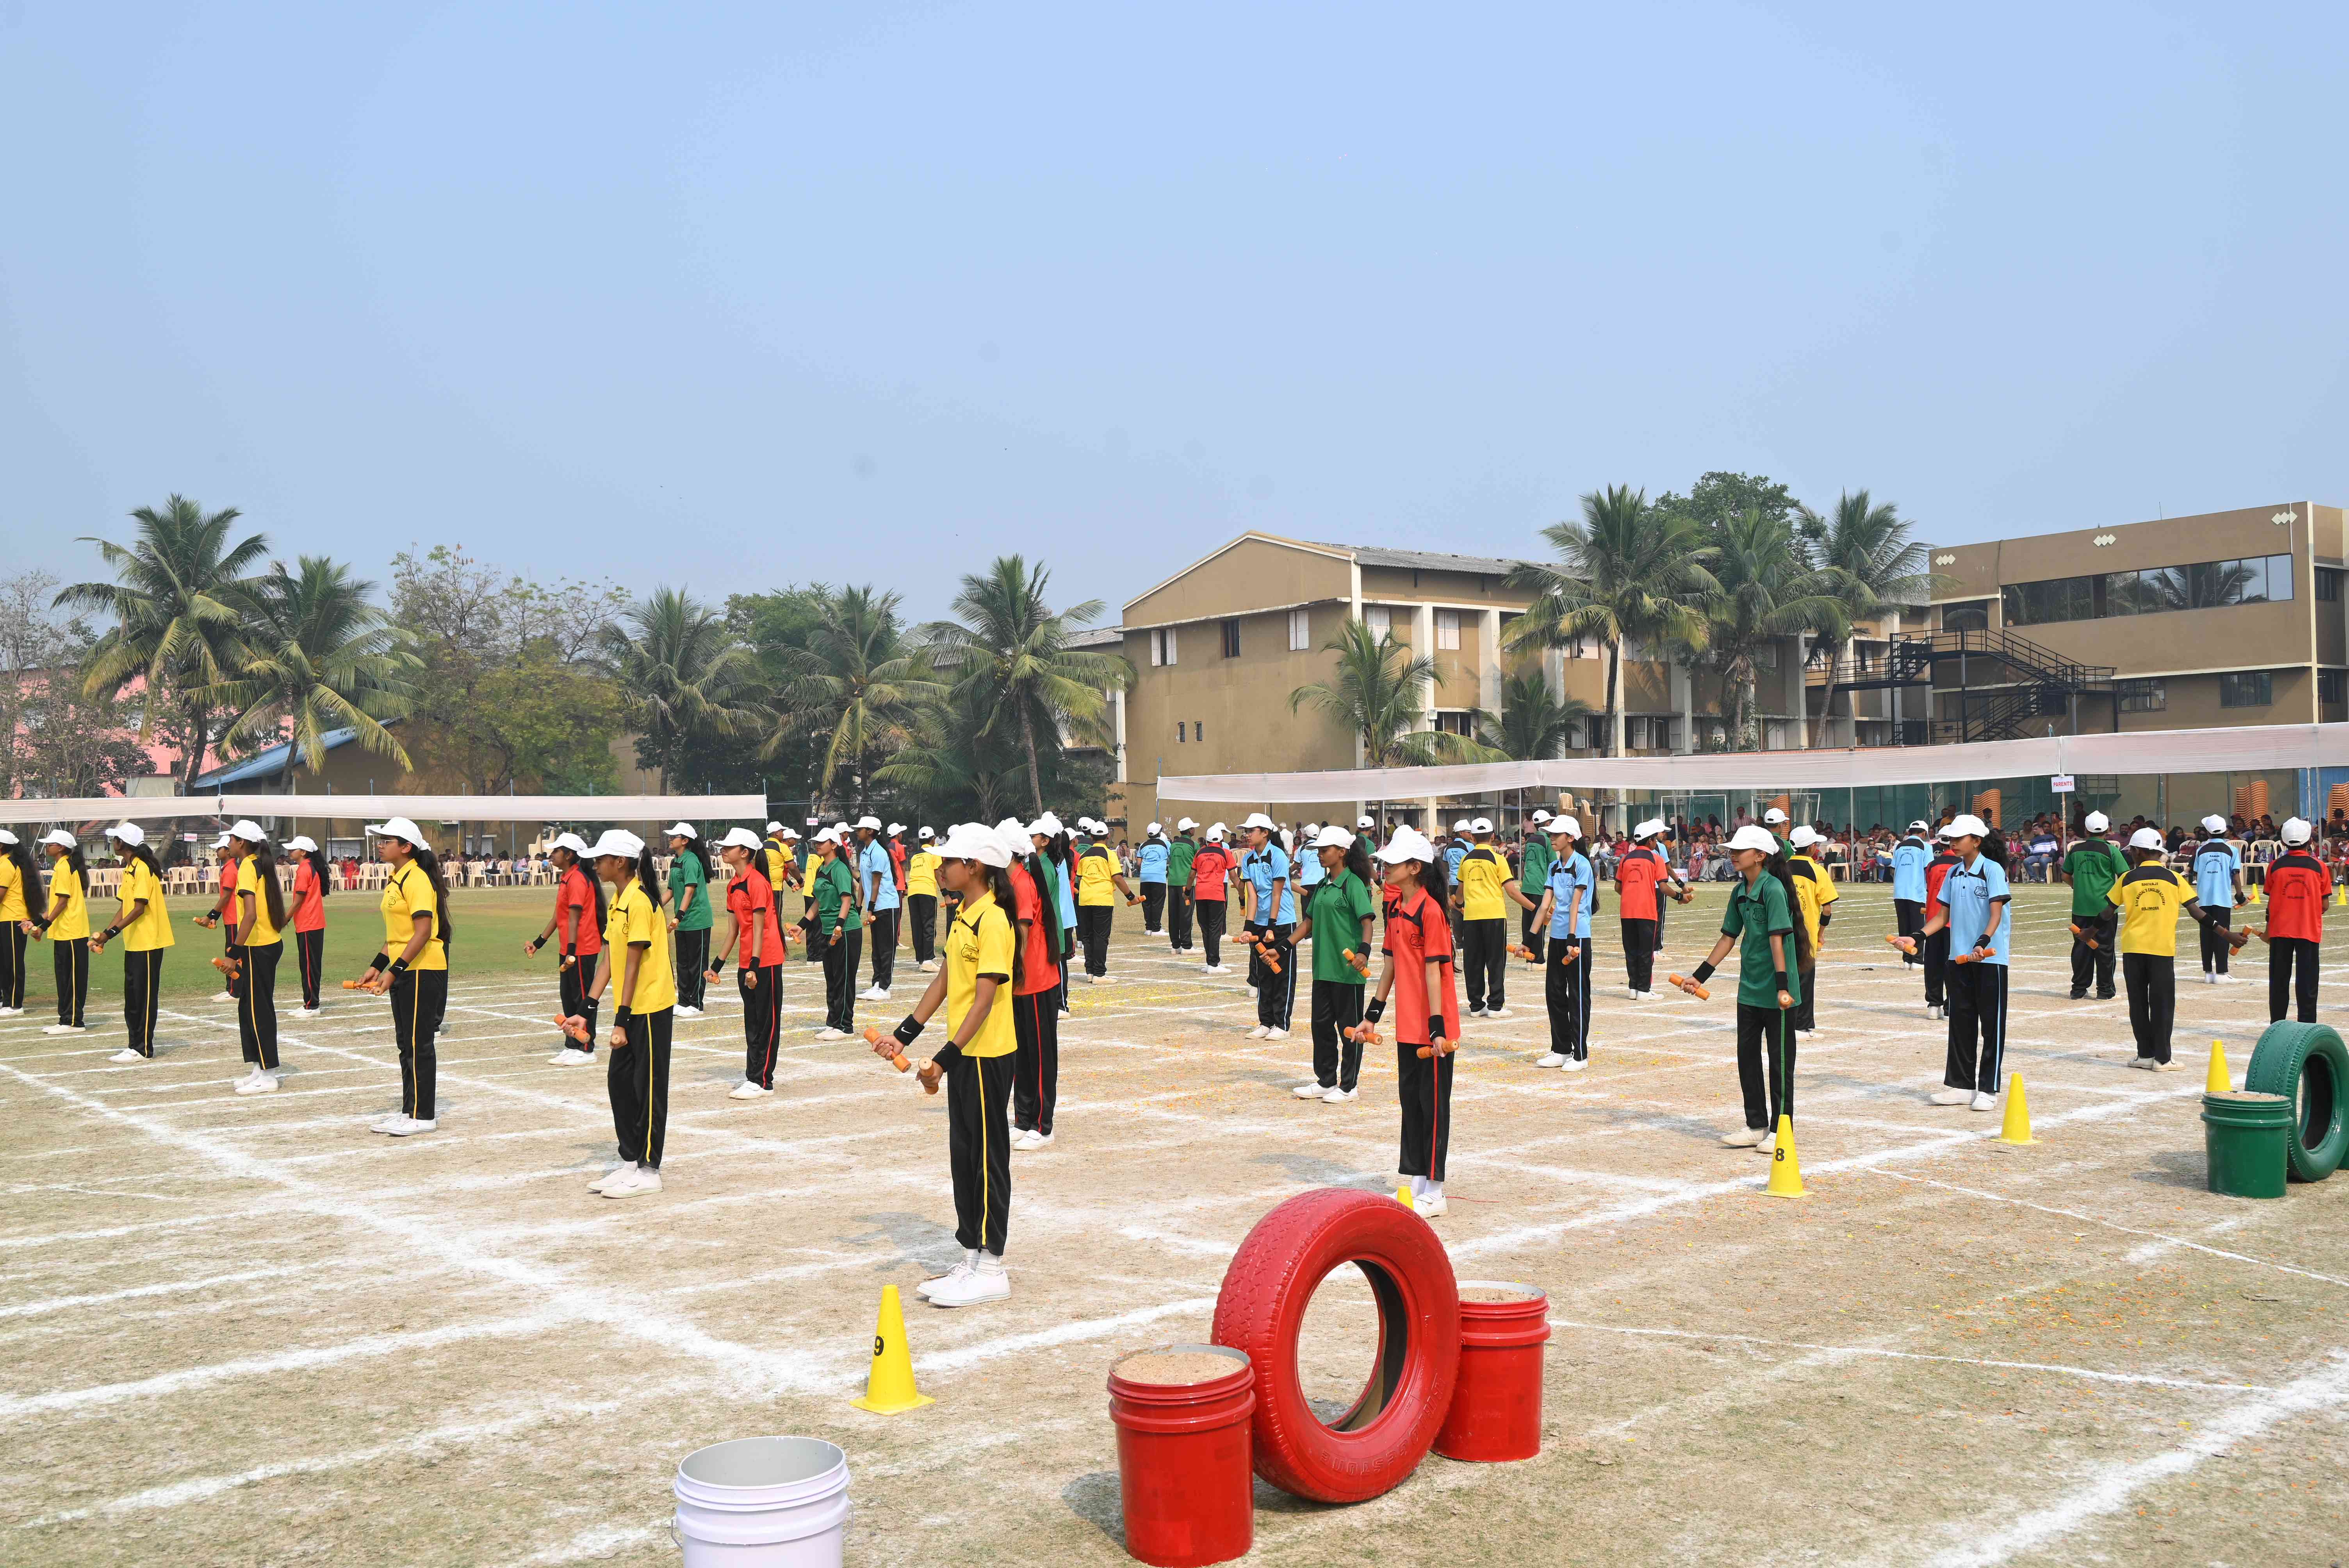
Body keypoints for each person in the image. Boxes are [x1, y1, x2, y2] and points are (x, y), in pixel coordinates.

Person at [873, 823, 1022, 1307]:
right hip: (966, 1054)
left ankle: (992, 1267)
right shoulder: (963, 914)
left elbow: (984, 1001)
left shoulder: (994, 920)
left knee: (986, 1159)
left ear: (973, 867)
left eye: (948, 861)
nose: (940, 867)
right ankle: (972, 1258)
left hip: (987, 1055)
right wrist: (903, 1034)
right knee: (964, 1155)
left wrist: (942, 1059)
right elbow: (944, 980)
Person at [1676, 824, 1804, 1151]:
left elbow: (1777, 941)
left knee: (1780, 1063)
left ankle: (1782, 1129)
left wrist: (1782, 986)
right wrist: (1699, 976)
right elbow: (1728, 938)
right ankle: (1757, 1125)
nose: (1733, 855)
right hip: (1750, 987)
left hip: (1778, 990)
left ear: (1760, 856)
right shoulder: (1739, 892)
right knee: (1747, 1058)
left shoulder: (1773, 889)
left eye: (1739, 851)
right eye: (1731, 851)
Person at [1362, 827, 1460, 1216]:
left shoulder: (1431, 911)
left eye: (1394, 863)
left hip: (1434, 1027)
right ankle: (1417, 1182)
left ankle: (1436, 1191)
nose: (1385, 867)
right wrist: (1372, 1015)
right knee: (1413, 1104)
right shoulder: (1396, 908)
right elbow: (1389, 966)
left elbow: (1434, 972)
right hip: (1407, 1025)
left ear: (1415, 868)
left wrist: (1437, 1027)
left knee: (1433, 1106)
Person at [582, 829, 676, 1196]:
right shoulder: (618, 900)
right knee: (619, 1083)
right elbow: (609, 961)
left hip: (649, 1007)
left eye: (601, 859)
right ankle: (631, 1162)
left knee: (648, 1088)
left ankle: (650, 1170)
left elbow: (634, 965)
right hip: (630, 1007)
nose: (596, 864)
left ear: (620, 862)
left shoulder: (640, 901)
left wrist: (620, 1021)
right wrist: (587, 1009)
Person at [353, 818, 450, 1135]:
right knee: (406, 1044)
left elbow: (422, 932)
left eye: (387, 840)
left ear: (406, 847)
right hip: (406, 967)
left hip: (421, 969)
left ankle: (424, 1115)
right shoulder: (398, 878)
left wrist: (394, 972)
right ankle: (410, 1111)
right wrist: (378, 965)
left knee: (419, 1043)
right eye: (380, 840)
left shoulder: (417, 879)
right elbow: (398, 934)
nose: (380, 845)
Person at [1904, 813, 2009, 1109]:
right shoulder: (1953, 873)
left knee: (1991, 1026)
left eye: (1958, 838)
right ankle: (1962, 1086)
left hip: (1990, 960)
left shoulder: (1992, 870)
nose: (1952, 843)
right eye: (1950, 838)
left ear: (1976, 841)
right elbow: (1942, 917)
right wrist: (1916, 937)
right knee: (1961, 1024)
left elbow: (1996, 915)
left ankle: (1988, 1089)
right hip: (1958, 958)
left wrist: (1982, 943)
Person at [2109, 826, 2228, 1070]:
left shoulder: (2127, 878)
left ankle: (2144, 1055)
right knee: (2163, 1004)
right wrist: (2224, 933)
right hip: (2162, 949)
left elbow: (2107, 911)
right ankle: (2163, 1059)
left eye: (2132, 851)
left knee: (2138, 1003)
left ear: (2139, 852)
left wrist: (2089, 932)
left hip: (2133, 948)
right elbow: (2196, 912)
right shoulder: (2174, 878)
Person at [1291, 825, 1378, 1103]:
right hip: (1323, 970)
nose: (1319, 855)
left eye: (1324, 850)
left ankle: (1349, 1086)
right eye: (1318, 850)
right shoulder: (1323, 885)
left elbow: (1367, 922)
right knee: (1321, 1027)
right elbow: (1309, 923)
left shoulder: (1354, 884)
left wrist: (1364, 951)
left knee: (1350, 1030)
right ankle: (1326, 1081)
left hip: (1348, 973)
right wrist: (1283, 947)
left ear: (1342, 852)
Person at [1002, 820, 1065, 1149]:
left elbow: (1023, 931)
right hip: (1022, 981)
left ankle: (1043, 1125)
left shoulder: (1022, 883)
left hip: (1036, 978)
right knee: (1022, 1054)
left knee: (1040, 1056)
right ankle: (1023, 1118)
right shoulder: (1012, 880)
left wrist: (1011, 968)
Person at [709, 827, 782, 1099]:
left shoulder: (758, 883)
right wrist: (716, 966)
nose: (723, 850)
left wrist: (754, 966)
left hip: (765, 961)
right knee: (752, 1022)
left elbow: (760, 928)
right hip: (747, 962)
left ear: (744, 853)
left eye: (729, 847)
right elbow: (734, 931)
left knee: (766, 1022)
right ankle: (754, 1077)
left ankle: (763, 1081)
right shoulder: (732, 886)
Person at [91, 821, 172, 1062]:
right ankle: (134, 1045)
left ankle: (143, 1048)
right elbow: (124, 908)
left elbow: (138, 909)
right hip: (135, 942)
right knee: (133, 997)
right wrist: (105, 936)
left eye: (115, 839)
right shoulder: (130, 869)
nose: (112, 843)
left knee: (143, 997)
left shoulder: (142, 869)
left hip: (149, 941)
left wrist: (111, 933)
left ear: (122, 843)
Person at [219, 821, 288, 1094]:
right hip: (263, 945)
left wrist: (233, 953)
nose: (229, 844)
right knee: (249, 1008)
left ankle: (269, 1075)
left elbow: (250, 915)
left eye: (232, 839)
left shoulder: (248, 866)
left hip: (259, 947)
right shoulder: (257, 864)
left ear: (242, 843)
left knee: (258, 1010)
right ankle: (259, 1069)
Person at [1523, 817, 1593, 1070]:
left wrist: (1572, 940)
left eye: (1557, 835)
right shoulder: (1554, 867)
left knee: (1577, 996)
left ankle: (1580, 1055)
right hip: (1557, 937)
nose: (1552, 838)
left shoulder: (1582, 865)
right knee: (1554, 993)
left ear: (1571, 838)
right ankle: (1561, 1049)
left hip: (1577, 938)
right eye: (1550, 834)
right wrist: (1529, 941)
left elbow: (1576, 905)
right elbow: (1544, 906)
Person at [531, 834, 604, 1066]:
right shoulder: (567, 878)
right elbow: (559, 916)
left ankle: (587, 1048)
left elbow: (574, 918)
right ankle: (572, 1044)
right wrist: (539, 942)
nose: (551, 855)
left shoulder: (577, 880)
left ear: (570, 855)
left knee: (582, 999)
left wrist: (571, 951)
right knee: (569, 999)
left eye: (556, 851)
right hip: (570, 949)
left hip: (582, 949)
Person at [2260, 816, 2330, 1024]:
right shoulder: (2319, 867)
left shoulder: (2275, 866)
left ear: (2283, 842)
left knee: (2279, 981)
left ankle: (2277, 1025)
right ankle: (2306, 1026)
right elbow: (2325, 905)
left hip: (2280, 931)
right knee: (2308, 982)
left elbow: (2271, 901)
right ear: (2309, 841)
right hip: (2308, 931)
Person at [22, 830, 91, 1034]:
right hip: (65, 931)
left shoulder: (64, 867)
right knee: (64, 977)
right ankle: (66, 1019)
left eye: (50, 844)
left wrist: (43, 927)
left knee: (72, 979)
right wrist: (35, 922)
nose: (47, 847)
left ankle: (73, 1022)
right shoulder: (63, 866)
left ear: (61, 848)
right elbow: (55, 905)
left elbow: (62, 902)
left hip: (72, 931)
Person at [1239, 812, 1298, 1039]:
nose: (1247, 835)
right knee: (1262, 973)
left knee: (1282, 974)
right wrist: (1249, 927)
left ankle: (1282, 1025)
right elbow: (1252, 896)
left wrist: (1272, 926)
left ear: (1265, 833)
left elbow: (1277, 894)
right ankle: (1266, 1022)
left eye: (1251, 831)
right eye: (1246, 831)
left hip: (1282, 921)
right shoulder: (1248, 859)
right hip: (1260, 923)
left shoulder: (1278, 856)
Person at [2059, 812, 2126, 1001]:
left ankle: (2079, 989)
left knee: (2081, 948)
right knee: (2105, 949)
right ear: (2108, 830)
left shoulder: (2076, 850)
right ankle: (2105, 991)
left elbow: (2065, 875)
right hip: (2105, 908)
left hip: (2080, 907)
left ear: (2086, 830)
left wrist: (2078, 887)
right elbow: (2124, 876)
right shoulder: (2112, 851)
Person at [1453, 817, 1515, 1019]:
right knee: (1496, 961)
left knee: (1473, 961)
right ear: (1493, 836)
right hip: (1495, 915)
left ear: (1472, 837)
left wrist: (1460, 906)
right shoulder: (1499, 860)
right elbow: (1512, 891)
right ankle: (1496, 1005)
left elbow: (1460, 893)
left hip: (1472, 916)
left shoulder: (1466, 860)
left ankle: (1476, 1006)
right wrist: (1535, 908)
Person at [1613, 818, 1681, 1000]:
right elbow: (1664, 887)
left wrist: (1631, 894)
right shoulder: (1655, 859)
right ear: (1651, 841)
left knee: (1631, 951)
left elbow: (1618, 887)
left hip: (1627, 911)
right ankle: (1644, 990)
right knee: (1646, 952)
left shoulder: (1625, 859)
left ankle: (1633, 988)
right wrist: (1680, 897)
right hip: (1647, 911)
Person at [1785, 825, 1839, 1035]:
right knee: (1805, 981)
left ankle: (1781, 1023)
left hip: (1781, 932)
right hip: (1806, 934)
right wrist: (1821, 933)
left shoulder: (1781, 869)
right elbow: (1827, 908)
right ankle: (1802, 1025)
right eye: (1816, 844)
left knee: (1783, 978)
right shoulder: (1817, 871)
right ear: (1810, 848)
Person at [809, 827, 862, 1039]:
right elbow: (818, 902)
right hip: (828, 931)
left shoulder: (840, 869)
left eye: (822, 842)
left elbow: (847, 900)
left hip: (846, 931)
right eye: (816, 842)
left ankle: (845, 1026)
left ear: (834, 845)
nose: (817, 845)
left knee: (844, 979)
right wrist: (802, 925)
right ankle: (834, 1022)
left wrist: (839, 927)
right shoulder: (821, 869)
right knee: (831, 979)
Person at [1073, 820, 1138, 982]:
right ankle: (1100, 974)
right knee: (1101, 937)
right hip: (1102, 900)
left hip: (1085, 900)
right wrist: (1131, 897)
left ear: (1092, 837)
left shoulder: (1084, 855)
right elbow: (1118, 878)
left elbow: (1079, 878)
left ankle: (1090, 972)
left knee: (1088, 937)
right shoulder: (1110, 855)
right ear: (1108, 836)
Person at [665, 823, 713, 1019]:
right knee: (683, 964)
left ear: (685, 841)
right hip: (683, 922)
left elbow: (689, 890)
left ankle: (696, 1003)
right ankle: (684, 1001)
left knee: (697, 964)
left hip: (697, 919)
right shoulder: (676, 861)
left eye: (674, 837)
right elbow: (670, 891)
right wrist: (653, 906)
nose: (670, 839)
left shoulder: (691, 861)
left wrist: (679, 916)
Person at [2192, 814, 2245, 983]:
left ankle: (2208, 973)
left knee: (2206, 935)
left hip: (2204, 899)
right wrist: (2240, 895)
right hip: (2222, 899)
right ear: (2225, 832)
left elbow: (2196, 872)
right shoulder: (2232, 850)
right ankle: (2222, 973)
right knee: (2223, 934)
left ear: (2208, 833)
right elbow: (2235, 875)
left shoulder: (2201, 850)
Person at [284, 836, 331, 1016]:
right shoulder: (308, 867)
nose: (290, 852)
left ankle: (312, 1005)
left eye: (294, 849)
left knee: (310, 966)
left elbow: (299, 900)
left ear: (303, 852)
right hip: (310, 923)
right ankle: (309, 1002)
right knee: (308, 965)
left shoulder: (305, 869)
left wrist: (285, 918)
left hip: (309, 923)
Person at [855, 816, 900, 1002]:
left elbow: (876, 883)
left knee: (887, 948)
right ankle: (877, 984)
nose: (857, 832)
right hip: (875, 907)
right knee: (877, 948)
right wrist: (858, 906)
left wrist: (870, 908)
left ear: (870, 831)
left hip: (887, 905)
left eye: (860, 829)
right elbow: (863, 883)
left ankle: (885, 987)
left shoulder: (879, 852)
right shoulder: (865, 852)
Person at [1920, 826, 1962, 1020]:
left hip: (1933, 921)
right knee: (1952, 964)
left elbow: (1930, 889)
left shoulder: (1932, 865)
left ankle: (1933, 1004)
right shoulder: (1963, 865)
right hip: (1955, 922)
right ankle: (1951, 1005)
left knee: (1933, 963)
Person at [197, 833, 243, 1004]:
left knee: (233, 955)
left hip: (235, 919)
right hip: (230, 918)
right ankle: (231, 988)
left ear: (228, 851)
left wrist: (211, 915)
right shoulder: (227, 868)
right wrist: (218, 916)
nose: (217, 852)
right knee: (230, 954)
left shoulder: (230, 869)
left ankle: (235, 991)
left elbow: (226, 897)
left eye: (220, 849)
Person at [0, 829, 39, 1016]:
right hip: (6, 917)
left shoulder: (6, 865)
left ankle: (15, 1004)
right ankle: (7, 1000)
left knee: (13, 962)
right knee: (4, 962)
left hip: (13, 918)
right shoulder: (5, 862)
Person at [1191, 825, 1236, 975]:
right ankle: (1214, 963)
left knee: (1205, 929)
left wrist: (1187, 890)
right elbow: (1233, 876)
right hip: (1216, 894)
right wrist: (1241, 891)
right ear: (1221, 840)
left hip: (1200, 894)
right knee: (1215, 929)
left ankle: (1210, 962)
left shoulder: (1200, 853)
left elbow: (1192, 875)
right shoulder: (1225, 852)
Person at [1891, 821, 1931, 969]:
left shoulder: (1899, 847)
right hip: (1916, 892)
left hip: (1899, 892)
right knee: (1918, 927)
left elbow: (1893, 869)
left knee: (1904, 927)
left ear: (1909, 832)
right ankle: (1917, 960)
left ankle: (1907, 960)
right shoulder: (1926, 847)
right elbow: (1929, 869)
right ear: (1924, 833)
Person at [1517, 810, 1554, 964]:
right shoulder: (1547, 840)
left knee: (1527, 922)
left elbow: (1525, 862)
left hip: (1526, 886)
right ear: (1548, 824)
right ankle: (1538, 959)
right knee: (1538, 922)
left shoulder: (1530, 840)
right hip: (1540, 886)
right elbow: (1554, 863)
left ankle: (1529, 958)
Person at [906, 827, 943, 971]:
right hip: (927, 891)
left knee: (917, 926)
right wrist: (946, 892)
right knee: (929, 925)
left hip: (913, 892)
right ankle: (928, 960)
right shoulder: (934, 852)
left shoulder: (915, 856)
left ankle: (921, 960)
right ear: (933, 839)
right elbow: (937, 873)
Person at [1165, 818, 1198, 954]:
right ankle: (1187, 946)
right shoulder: (1194, 845)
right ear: (1190, 831)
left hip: (1172, 883)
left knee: (1173, 914)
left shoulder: (1173, 844)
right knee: (1186, 915)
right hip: (1186, 884)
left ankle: (1176, 945)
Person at [1135, 822, 1171, 934]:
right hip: (1158, 877)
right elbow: (1171, 858)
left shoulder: (1143, 845)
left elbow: (1139, 863)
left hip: (1145, 877)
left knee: (1146, 902)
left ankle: (1149, 928)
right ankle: (1156, 928)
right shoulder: (1166, 844)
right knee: (1158, 903)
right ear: (1159, 833)